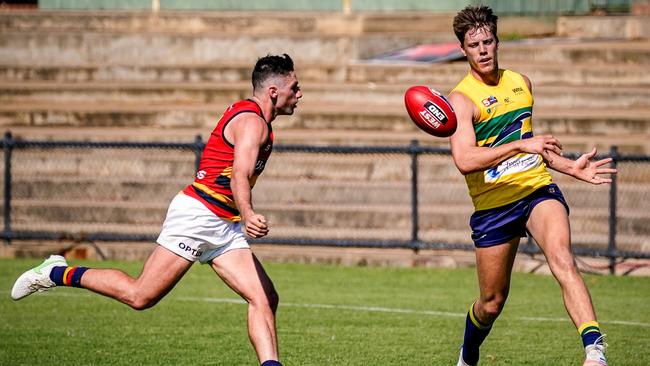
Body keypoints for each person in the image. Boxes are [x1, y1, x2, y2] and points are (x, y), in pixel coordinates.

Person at [11, 53, 302, 366]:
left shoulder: (257, 120)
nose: (299, 95)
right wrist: (247, 214)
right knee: (140, 296)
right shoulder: (252, 122)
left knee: (264, 297)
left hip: (222, 224)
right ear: (274, 91)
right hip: (198, 215)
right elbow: (240, 174)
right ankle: (56, 272)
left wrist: (239, 216)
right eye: (294, 87)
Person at [447, 6, 616, 366]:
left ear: (497, 40)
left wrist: (570, 167)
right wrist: (522, 145)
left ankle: (594, 351)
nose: (483, 49)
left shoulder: (520, 82)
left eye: (488, 41)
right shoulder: (460, 99)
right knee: (491, 303)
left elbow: (534, 147)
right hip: (493, 204)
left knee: (563, 260)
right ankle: (469, 352)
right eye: (474, 44)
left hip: (536, 188)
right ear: (463, 49)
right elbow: (465, 160)